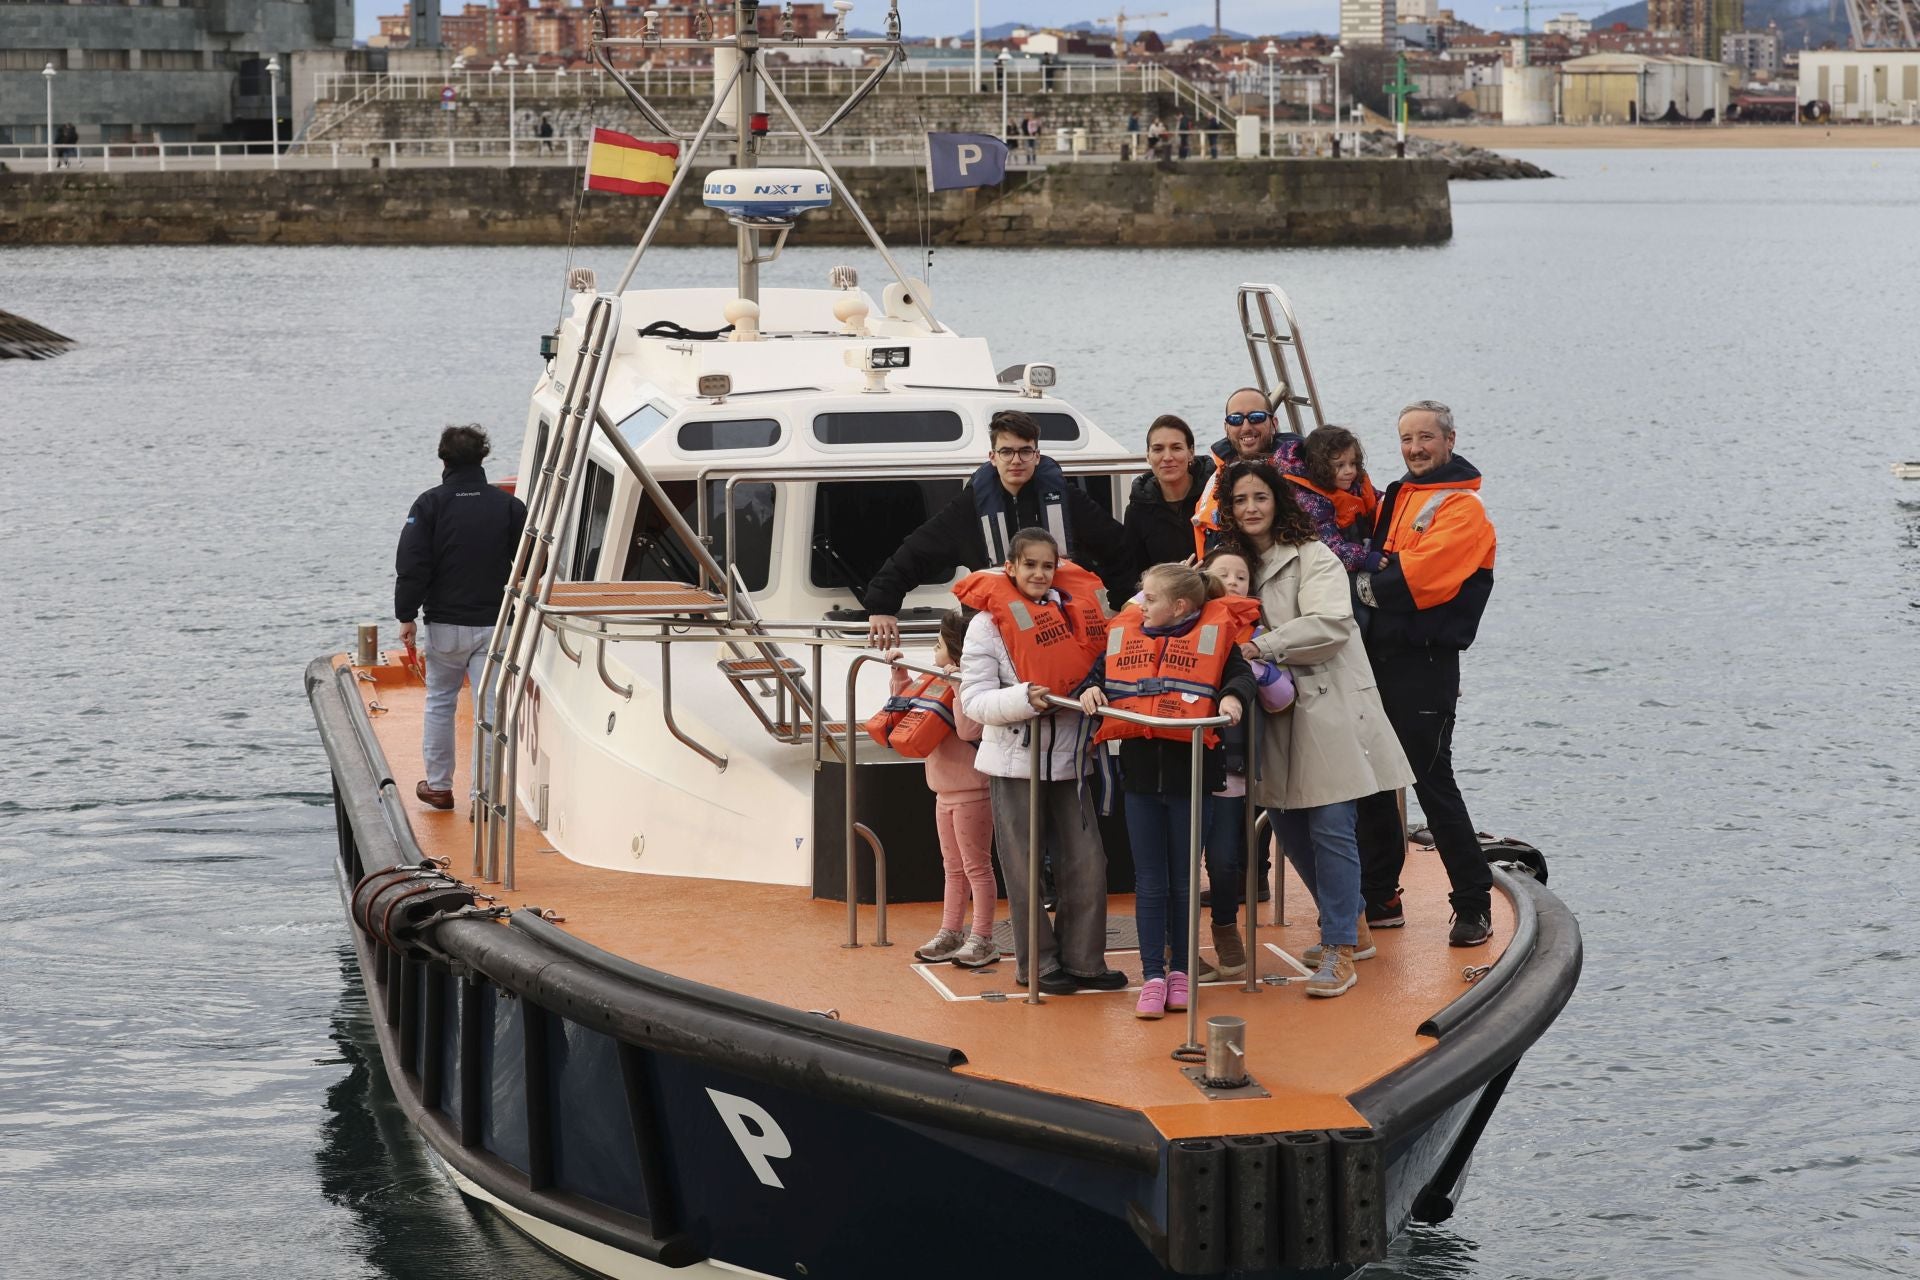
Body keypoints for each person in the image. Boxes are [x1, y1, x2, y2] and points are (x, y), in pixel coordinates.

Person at [1224, 461, 1412, 998]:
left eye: (1260, 496)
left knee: (1330, 823)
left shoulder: (1314, 556)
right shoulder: (1229, 563)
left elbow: (1331, 624)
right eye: (1240, 500)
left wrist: (1261, 646)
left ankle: (1339, 950)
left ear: (1278, 501)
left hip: (1325, 705)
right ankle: (1350, 919)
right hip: (1269, 709)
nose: (1251, 508)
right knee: (1284, 823)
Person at [1081, 563, 1257, 1016]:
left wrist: (1232, 698)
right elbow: (1095, 676)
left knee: (1183, 881)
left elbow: (1240, 678)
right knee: (1150, 882)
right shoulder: (1129, 636)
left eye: (1150, 598)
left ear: (1179, 606)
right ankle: (1152, 976)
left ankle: (1181, 970)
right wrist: (1090, 692)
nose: (1141, 604)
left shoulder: (1217, 642)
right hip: (1139, 782)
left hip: (1191, 781)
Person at [1352, 401, 1498, 946]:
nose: (1415, 448)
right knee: (1371, 781)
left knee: (1432, 783)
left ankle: (1472, 903)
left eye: (1426, 438)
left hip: (1427, 665)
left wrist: (1364, 590)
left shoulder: (1464, 509)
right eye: (1407, 439)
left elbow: (1416, 581)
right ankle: (1381, 894)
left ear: (1450, 440)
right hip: (1378, 660)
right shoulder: (1396, 496)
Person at [956, 528, 1124, 994]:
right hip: (1014, 762)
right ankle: (1038, 964)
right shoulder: (987, 624)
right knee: (1025, 867)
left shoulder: (1076, 614)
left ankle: (1085, 960)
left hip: (1072, 761)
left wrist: (1096, 688)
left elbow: (1101, 665)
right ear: (1010, 568)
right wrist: (1026, 699)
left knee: (1088, 863)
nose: (1038, 573)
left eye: (1046, 565)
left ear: (1056, 568)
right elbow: (974, 701)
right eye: (1028, 564)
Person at [861, 409, 1128, 649]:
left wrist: (1120, 604)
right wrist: (882, 606)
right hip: (995, 635)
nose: (1016, 460)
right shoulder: (969, 509)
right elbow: (917, 552)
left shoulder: (1067, 501)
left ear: (1037, 456)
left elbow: (1118, 546)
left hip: (1063, 630)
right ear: (992, 457)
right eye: (1006, 452)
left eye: (1025, 451)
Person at [394, 425, 529, 811]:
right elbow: (532, 559)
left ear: (443, 459)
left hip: (445, 626)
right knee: (489, 710)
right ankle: (483, 796)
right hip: (496, 624)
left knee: (440, 702)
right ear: (483, 458)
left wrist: (406, 614)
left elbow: (413, 563)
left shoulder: (429, 504)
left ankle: (438, 786)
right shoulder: (508, 506)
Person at [882, 610, 998, 969]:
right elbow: (907, 707)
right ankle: (951, 931)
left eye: (937, 645)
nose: (933, 653)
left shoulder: (968, 683)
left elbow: (968, 731)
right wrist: (899, 672)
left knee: (976, 866)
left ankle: (983, 937)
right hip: (942, 792)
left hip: (972, 792)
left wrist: (958, 686)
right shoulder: (933, 679)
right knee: (951, 867)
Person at [1189, 387, 1301, 551]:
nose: (1246, 426)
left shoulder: (1301, 468)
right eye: (1236, 419)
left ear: (1274, 424)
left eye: (1256, 417)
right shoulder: (1216, 476)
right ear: (1226, 427)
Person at [1118, 414, 1213, 600]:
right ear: (1148, 456)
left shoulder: (1213, 496)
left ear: (1191, 453)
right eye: (1158, 449)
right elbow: (1133, 573)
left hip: (1212, 594)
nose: (1167, 457)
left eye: (1176, 448)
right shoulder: (1138, 510)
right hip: (1164, 602)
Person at [1282, 424, 1383, 573]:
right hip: (1340, 570)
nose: (1349, 471)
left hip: (1367, 546)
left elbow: (1379, 498)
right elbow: (1330, 548)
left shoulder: (1354, 484)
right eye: (1340, 465)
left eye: (1353, 463)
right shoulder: (1312, 502)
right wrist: (1364, 558)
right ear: (1319, 467)